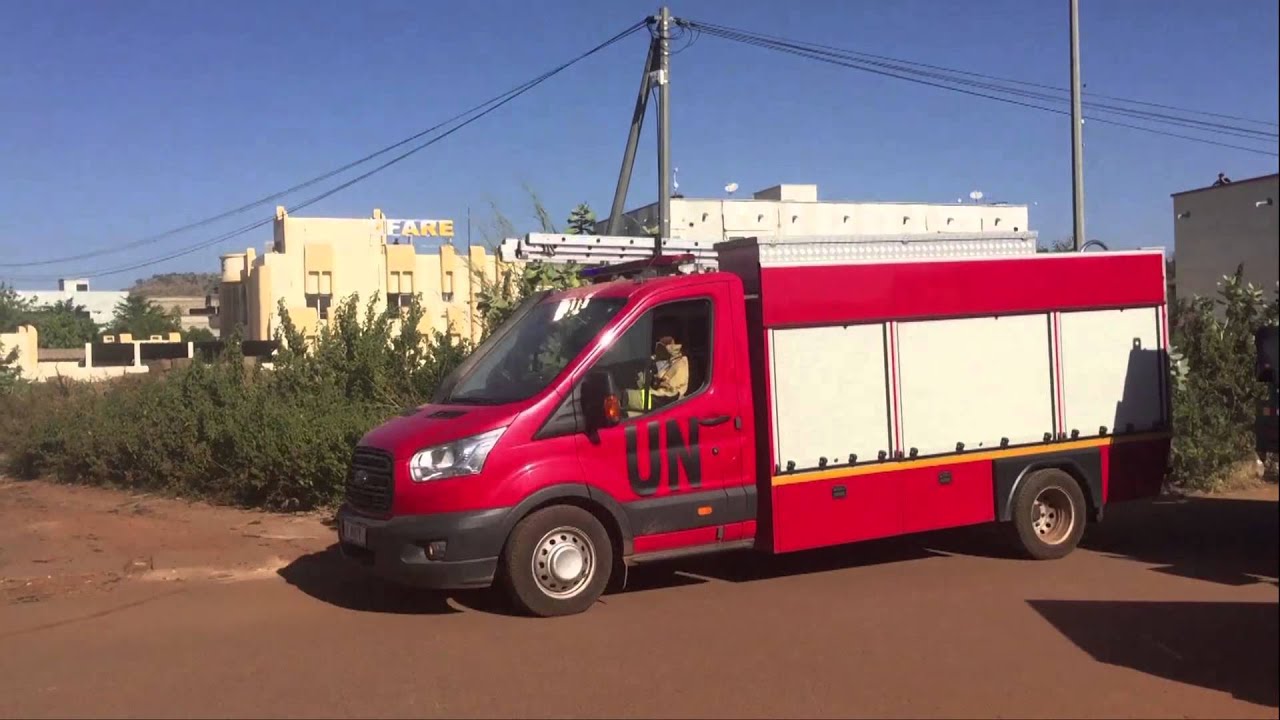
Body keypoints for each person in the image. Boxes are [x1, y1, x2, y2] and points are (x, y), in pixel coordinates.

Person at [648, 335, 689, 408]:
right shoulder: (673, 361)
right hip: (666, 399)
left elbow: (668, 391)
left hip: (668, 402)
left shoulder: (679, 365)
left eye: (660, 348)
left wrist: (649, 390)